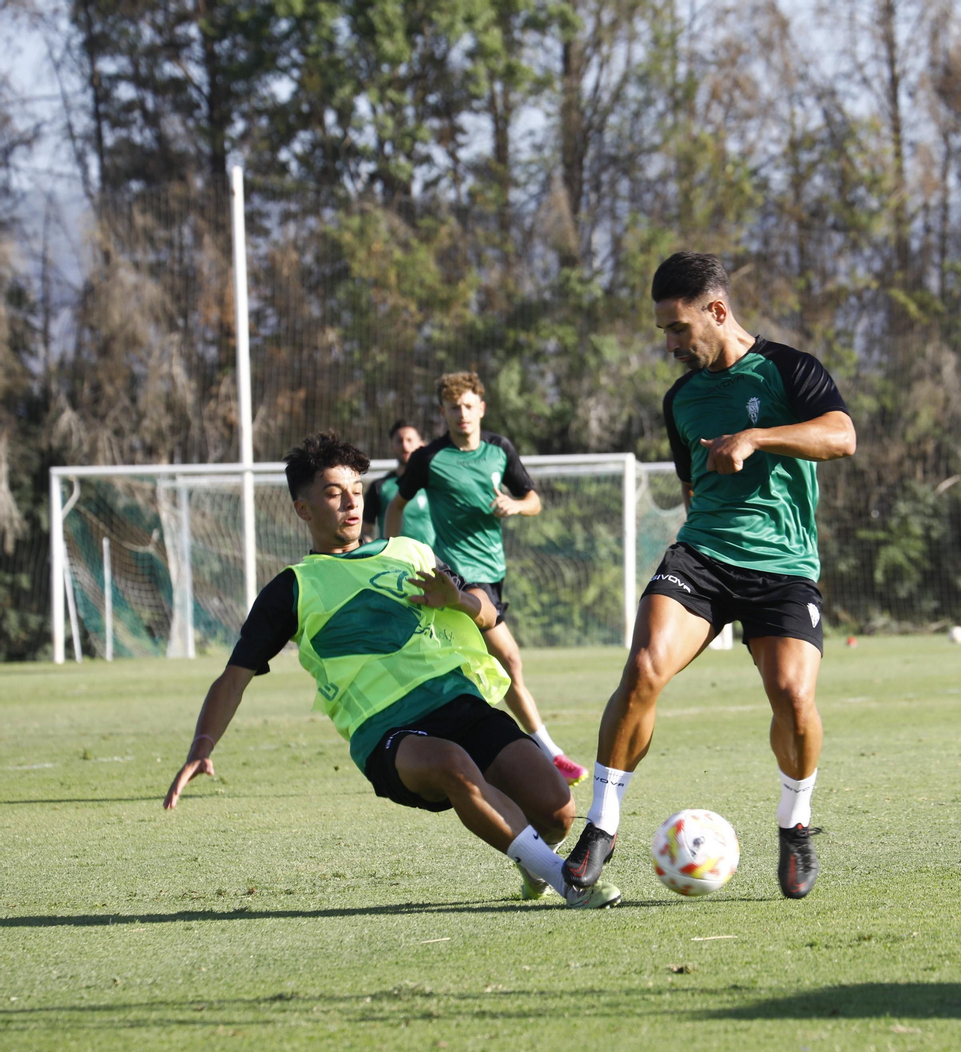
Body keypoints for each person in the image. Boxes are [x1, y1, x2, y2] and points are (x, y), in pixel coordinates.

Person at [163, 431, 619, 909]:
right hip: (389, 731)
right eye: (333, 494)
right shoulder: (293, 588)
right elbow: (233, 678)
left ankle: (534, 862)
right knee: (451, 765)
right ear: (303, 509)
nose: (350, 504)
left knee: (556, 813)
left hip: (460, 703)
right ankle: (570, 884)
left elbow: (489, 613)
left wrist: (459, 600)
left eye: (356, 491)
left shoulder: (411, 552)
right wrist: (203, 744)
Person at [563, 252, 856, 900]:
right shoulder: (682, 400)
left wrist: (757, 436)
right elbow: (693, 487)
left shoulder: (788, 369)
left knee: (792, 697)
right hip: (703, 556)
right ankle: (602, 825)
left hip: (783, 566)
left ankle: (795, 822)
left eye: (677, 328)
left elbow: (841, 436)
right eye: (663, 330)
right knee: (642, 669)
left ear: (717, 312)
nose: (668, 343)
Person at [385, 372, 589, 788]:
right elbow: (398, 504)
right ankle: (549, 755)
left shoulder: (499, 450)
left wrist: (514, 506)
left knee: (487, 669)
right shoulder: (429, 458)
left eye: (468, 406)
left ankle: (472, 750)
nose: (462, 414)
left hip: (494, 573)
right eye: (453, 408)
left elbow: (534, 501)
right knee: (509, 660)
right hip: (459, 576)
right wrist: (392, 549)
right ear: (443, 413)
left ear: (481, 408)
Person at [364, 420, 435, 545]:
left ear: (422, 444)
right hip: (394, 564)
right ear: (391, 446)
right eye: (399, 441)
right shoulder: (379, 486)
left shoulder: (435, 484)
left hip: (433, 563)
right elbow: (366, 530)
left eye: (409, 440)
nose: (404, 446)